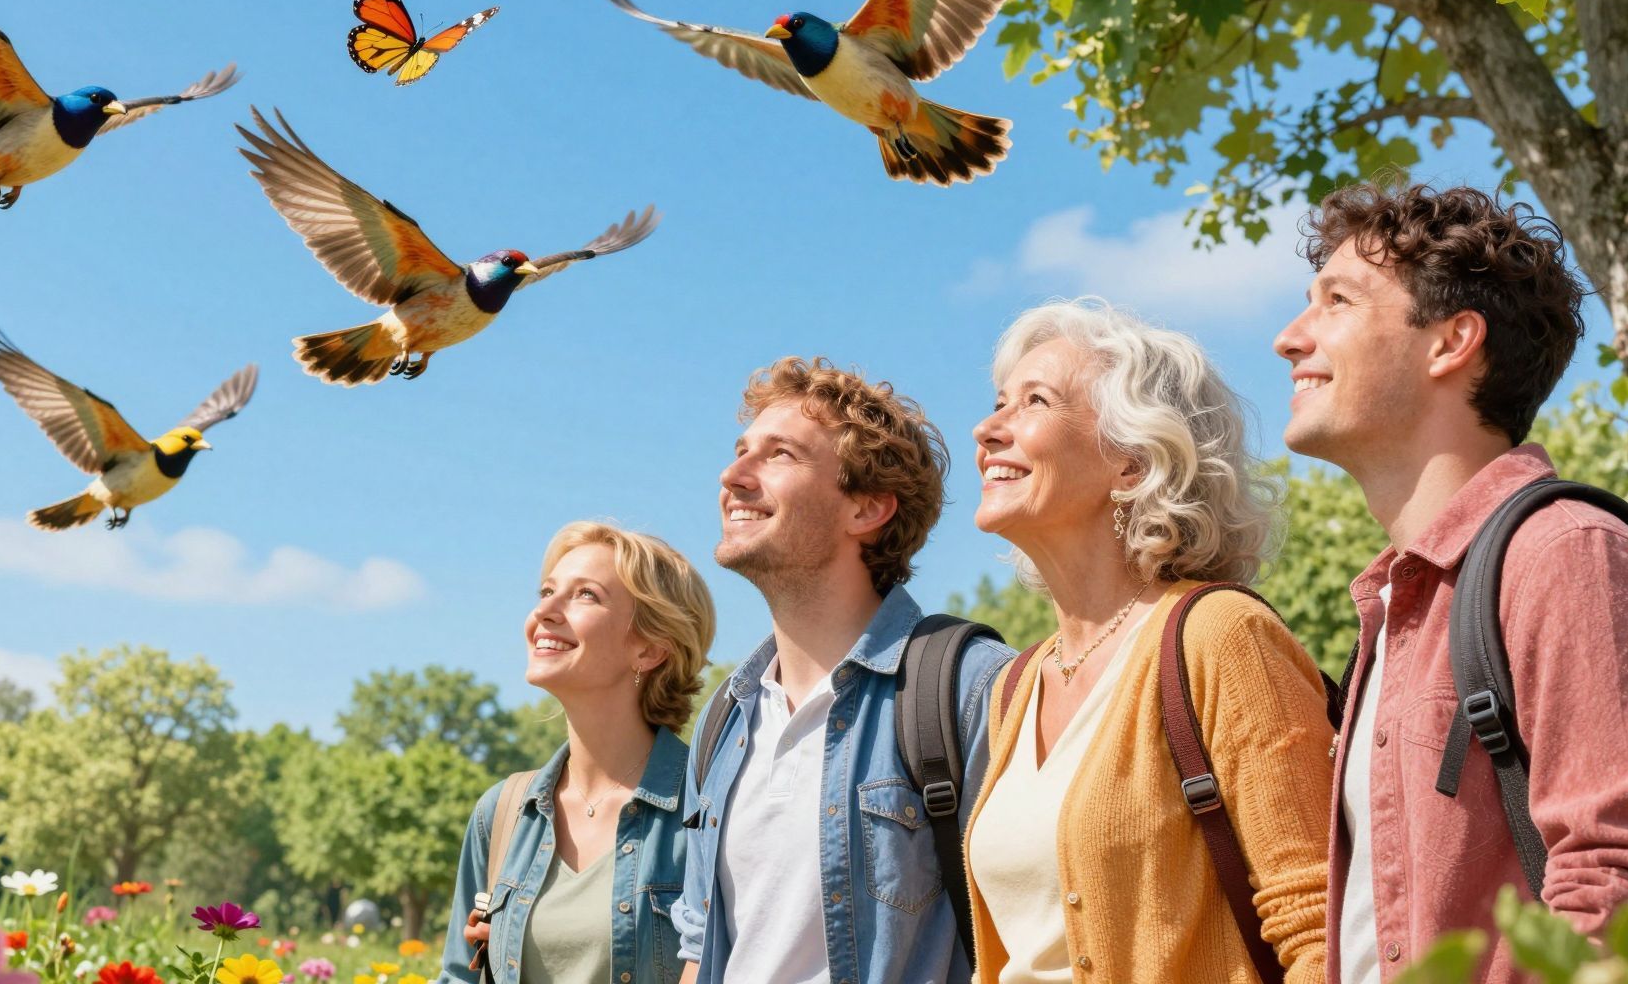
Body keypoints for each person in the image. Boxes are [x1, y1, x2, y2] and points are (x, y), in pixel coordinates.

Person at [1274, 183, 1628, 982]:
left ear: (1452, 342)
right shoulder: (1393, 612)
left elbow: (1624, 884)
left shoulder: (1565, 555)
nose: (1288, 338)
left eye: (1336, 301)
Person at [962, 298, 1332, 983]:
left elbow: (1316, 926)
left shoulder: (1222, 636)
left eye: (1034, 402)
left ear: (1131, 463)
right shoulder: (1016, 685)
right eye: (998, 403)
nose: (987, 429)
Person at [673, 357, 1015, 984]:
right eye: (741, 450)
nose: (732, 476)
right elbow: (699, 949)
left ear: (867, 510)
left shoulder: (971, 688)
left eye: (779, 455)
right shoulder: (724, 721)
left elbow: (1038, 928)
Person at [440, 521, 717, 984]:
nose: (544, 610)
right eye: (546, 591)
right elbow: (457, 977)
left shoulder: (708, 807)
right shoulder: (503, 813)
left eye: (585, 594)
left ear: (650, 648)